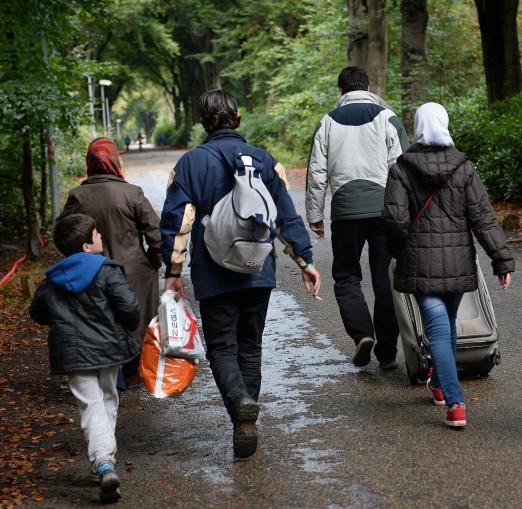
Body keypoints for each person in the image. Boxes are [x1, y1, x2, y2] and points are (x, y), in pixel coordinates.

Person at [160, 89, 321, 458]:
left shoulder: (190, 164)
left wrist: (173, 271)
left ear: (203, 121)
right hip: (257, 268)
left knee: (222, 347)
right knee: (251, 345)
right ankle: (247, 411)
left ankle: (239, 407)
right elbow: (285, 216)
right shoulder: (265, 161)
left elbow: (178, 221)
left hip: (214, 272)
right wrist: (306, 262)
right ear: (237, 117)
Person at [381, 102, 515, 429]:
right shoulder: (464, 167)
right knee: (446, 326)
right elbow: (482, 218)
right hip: (457, 264)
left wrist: (401, 251)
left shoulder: (401, 169)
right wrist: (501, 258)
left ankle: (455, 403)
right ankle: (439, 385)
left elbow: (394, 220)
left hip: (420, 264)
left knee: (439, 330)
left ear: (417, 126)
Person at [30, 213, 139, 503]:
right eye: (97, 234)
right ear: (87, 246)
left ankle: (102, 463)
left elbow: (37, 313)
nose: (101, 237)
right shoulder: (107, 270)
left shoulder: (52, 279)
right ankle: (104, 461)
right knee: (108, 398)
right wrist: (129, 324)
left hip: (73, 353)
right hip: (109, 349)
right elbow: (128, 307)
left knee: (91, 405)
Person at [306, 66, 409, 369]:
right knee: (385, 278)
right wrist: (406, 211)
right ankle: (388, 353)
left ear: (341, 91)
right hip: (384, 210)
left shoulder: (327, 122)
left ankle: (362, 334)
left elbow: (316, 172)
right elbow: (401, 167)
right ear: (368, 86)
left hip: (345, 210)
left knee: (347, 275)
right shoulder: (387, 118)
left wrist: (315, 214)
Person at [60, 137, 162, 389]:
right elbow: (157, 234)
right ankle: (133, 369)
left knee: (102, 319)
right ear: (115, 160)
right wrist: (152, 262)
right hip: (135, 271)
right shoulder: (132, 193)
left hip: (93, 271)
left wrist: (76, 261)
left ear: (89, 162)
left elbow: (63, 233)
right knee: (135, 318)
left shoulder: (77, 196)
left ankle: (110, 370)